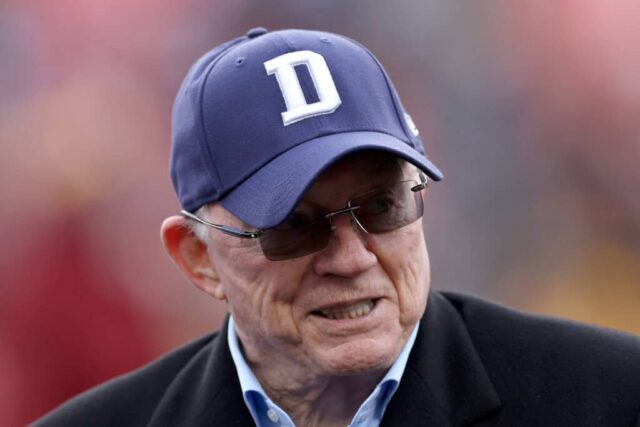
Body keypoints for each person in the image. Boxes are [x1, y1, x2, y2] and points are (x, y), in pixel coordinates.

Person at [34, 28, 640, 427]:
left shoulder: (609, 397)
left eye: (380, 207)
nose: (351, 258)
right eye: (293, 224)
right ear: (197, 256)